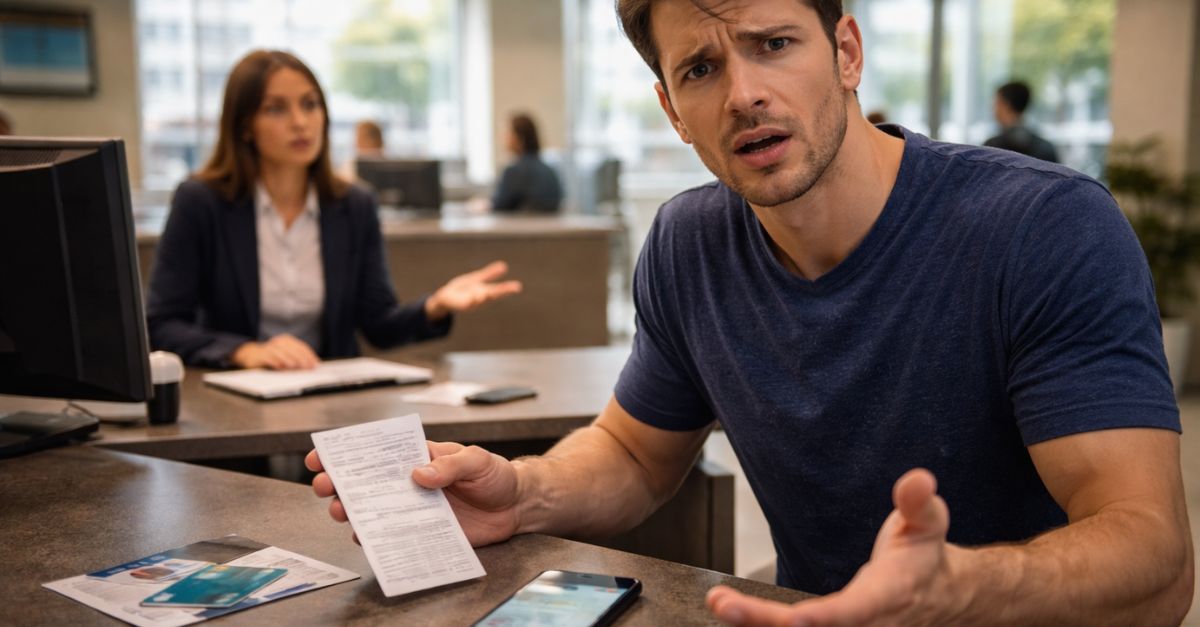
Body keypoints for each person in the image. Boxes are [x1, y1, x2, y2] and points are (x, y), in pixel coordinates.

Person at [308, 1, 1194, 624]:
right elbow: (634, 453)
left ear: (846, 52)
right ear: (672, 111)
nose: (741, 94)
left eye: (774, 44)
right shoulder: (689, 243)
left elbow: (1155, 563)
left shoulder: (1044, 227)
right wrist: (524, 493)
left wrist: (957, 589)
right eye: (700, 67)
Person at [147, 50, 521, 369]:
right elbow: (161, 323)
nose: (300, 122)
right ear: (245, 126)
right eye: (276, 109)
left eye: (310, 104)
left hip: (328, 399)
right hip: (231, 401)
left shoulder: (354, 205)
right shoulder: (202, 202)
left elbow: (378, 324)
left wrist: (435, 306)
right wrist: (245, 351)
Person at [490, 112, 564, 213]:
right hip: (550, 228)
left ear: (519, 138)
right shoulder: (550, 170)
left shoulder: (513, 171)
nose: (502, 139)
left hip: (522, 227)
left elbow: (498, 206)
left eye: (506, 134)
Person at [984, 80, 1059, 163]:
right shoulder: (1046, 148)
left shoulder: (991, 148)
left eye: (996, 103)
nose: (993, 110)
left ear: (1006, 105)